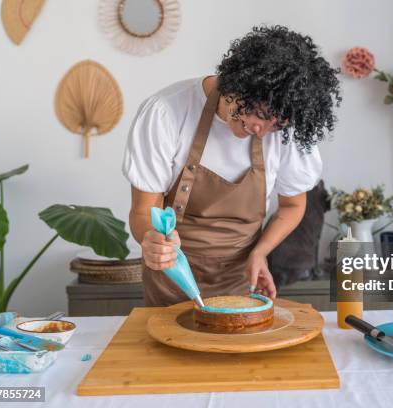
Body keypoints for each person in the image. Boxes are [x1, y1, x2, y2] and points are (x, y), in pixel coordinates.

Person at [123, 25, 341, 306]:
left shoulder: (282, 133)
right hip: (171, 280)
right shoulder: (167, 112)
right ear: (241, 84)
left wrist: (261, 252)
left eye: (278, 125)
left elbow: (292, 205)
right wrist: (151, 240)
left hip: (240, 282)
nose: (262, 131)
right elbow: (142, 212)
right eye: (260, 115)